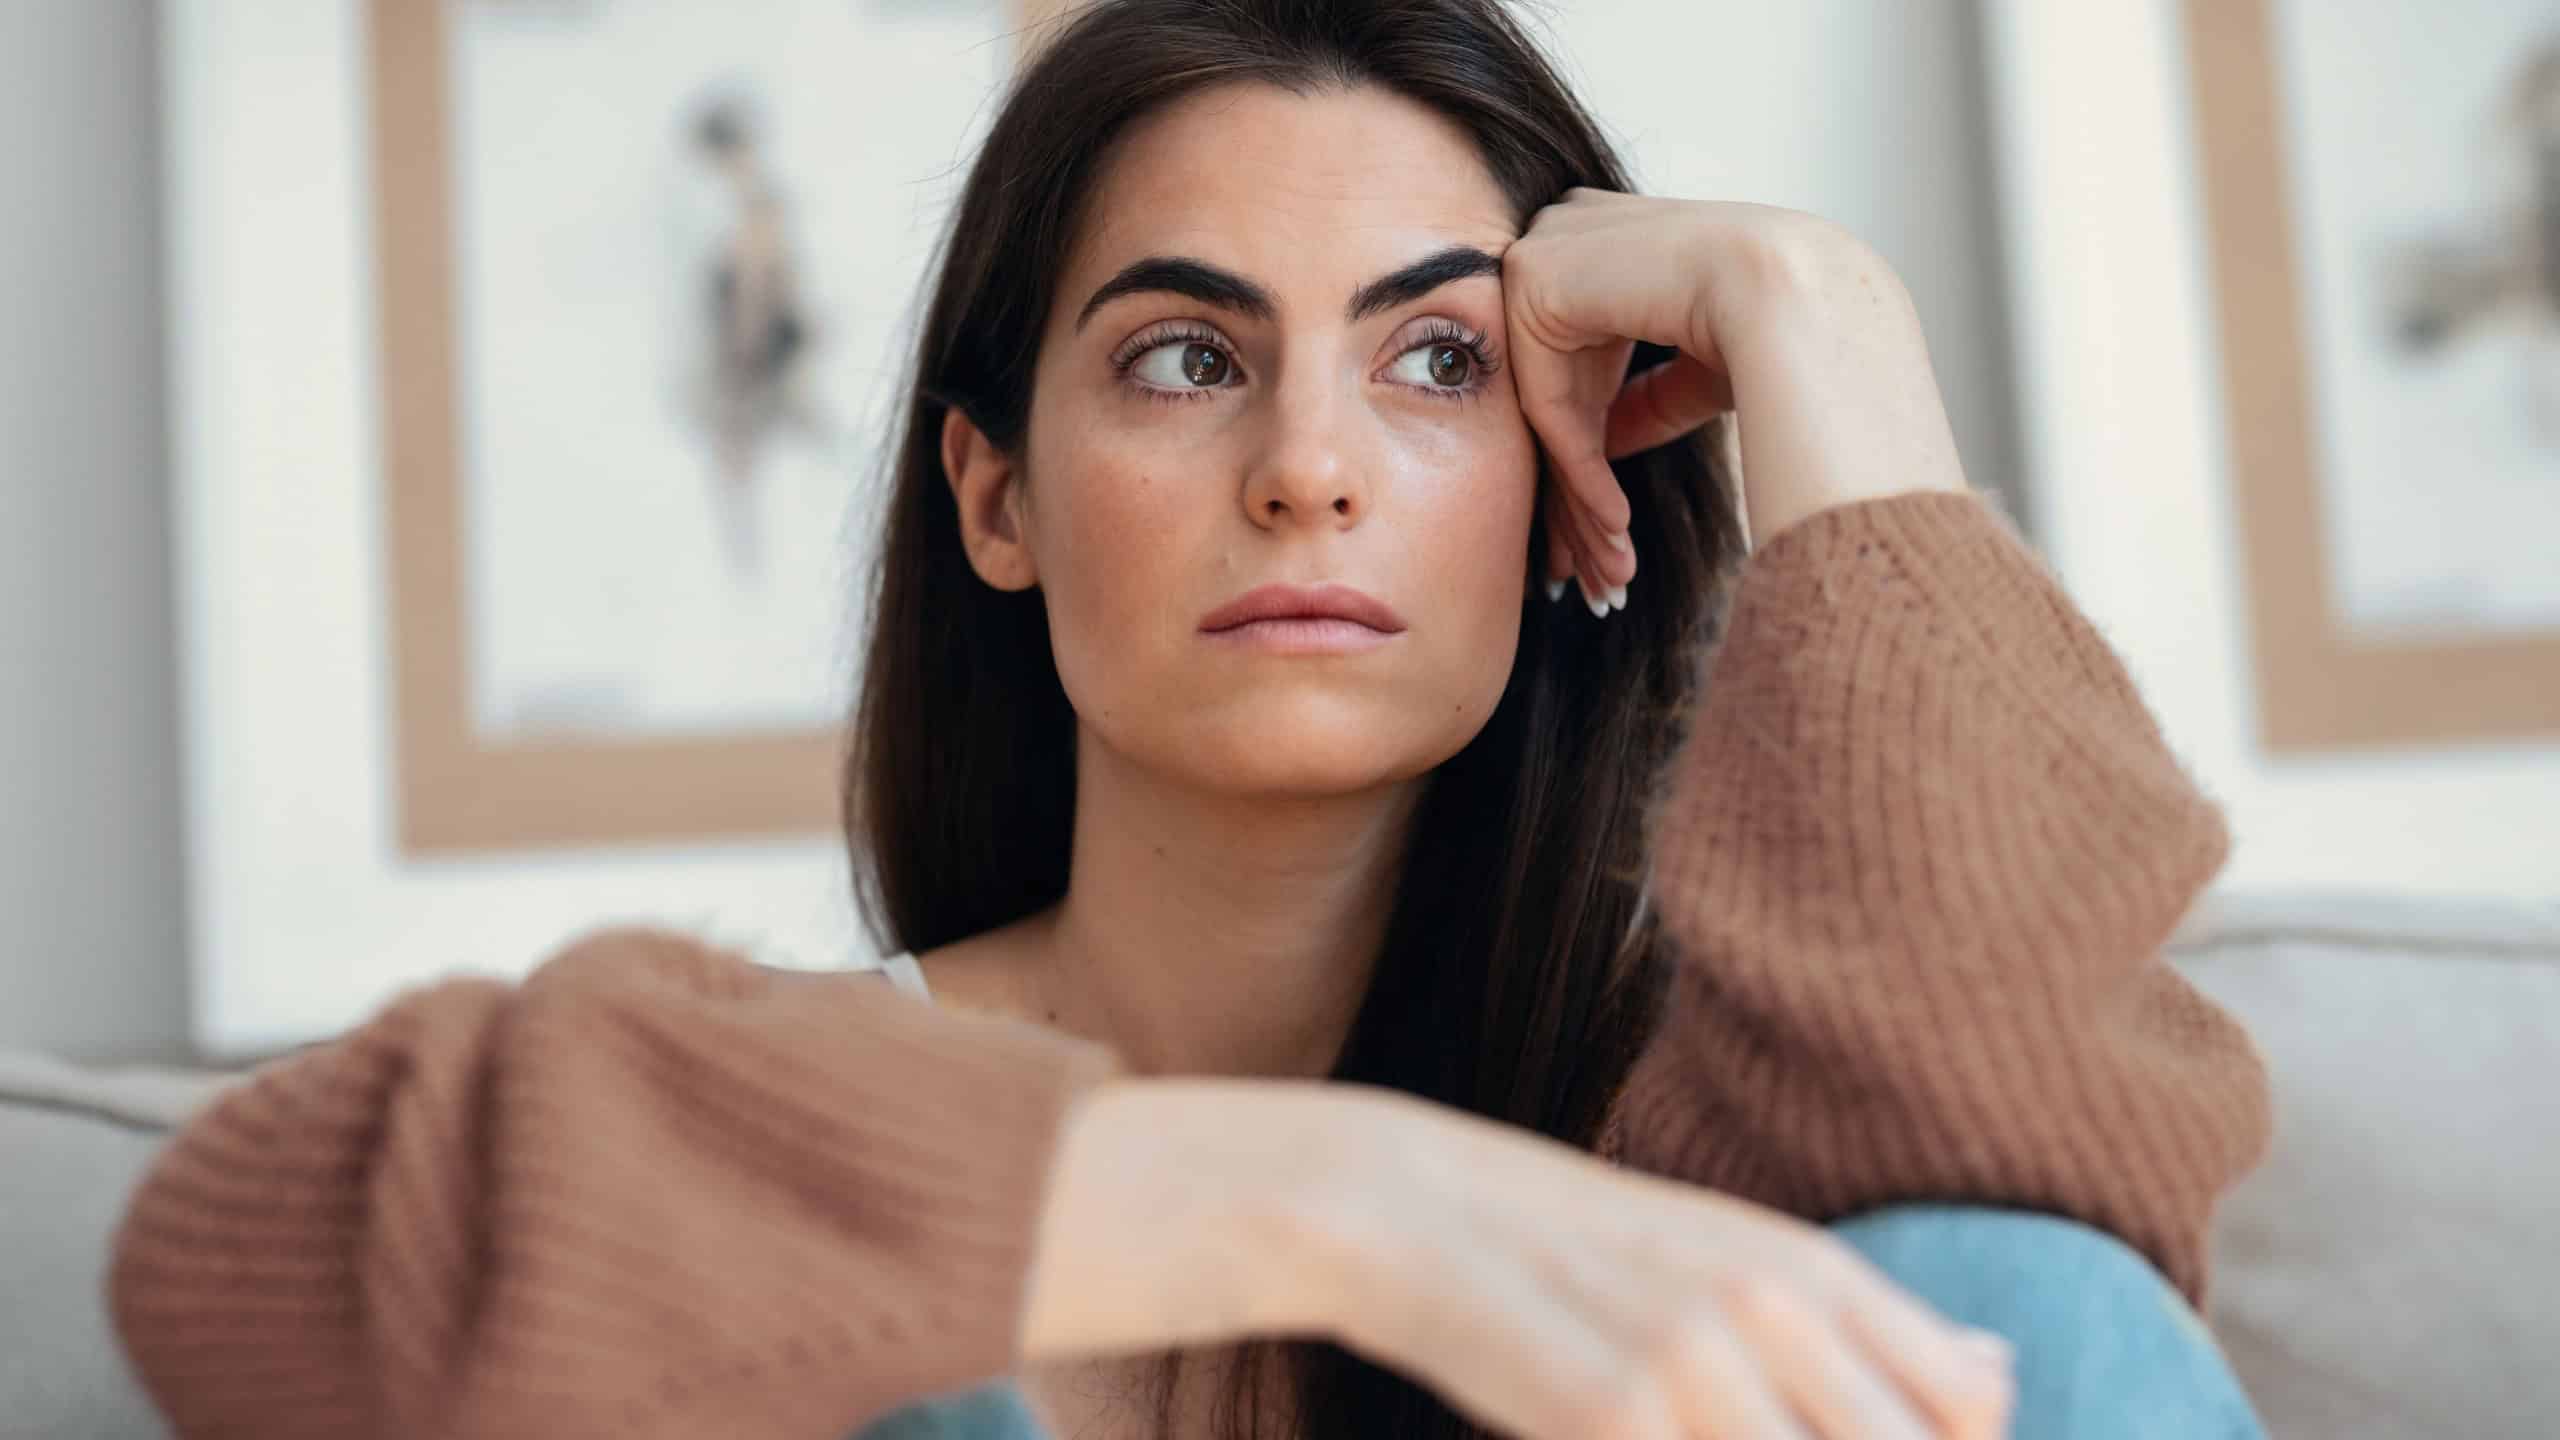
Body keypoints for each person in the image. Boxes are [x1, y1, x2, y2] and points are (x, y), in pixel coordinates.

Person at [107, 2, 2274, 1438]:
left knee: (2006, 1287)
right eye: (1183, 357)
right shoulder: (764, 1134)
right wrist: (1340, 1206)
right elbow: (222, 1261)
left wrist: (1829, 327)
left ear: (1560, 488)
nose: (1308, 468)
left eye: (1437, 364)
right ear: (997, 500)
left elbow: (2055, 1244)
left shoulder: (1691, 1144)